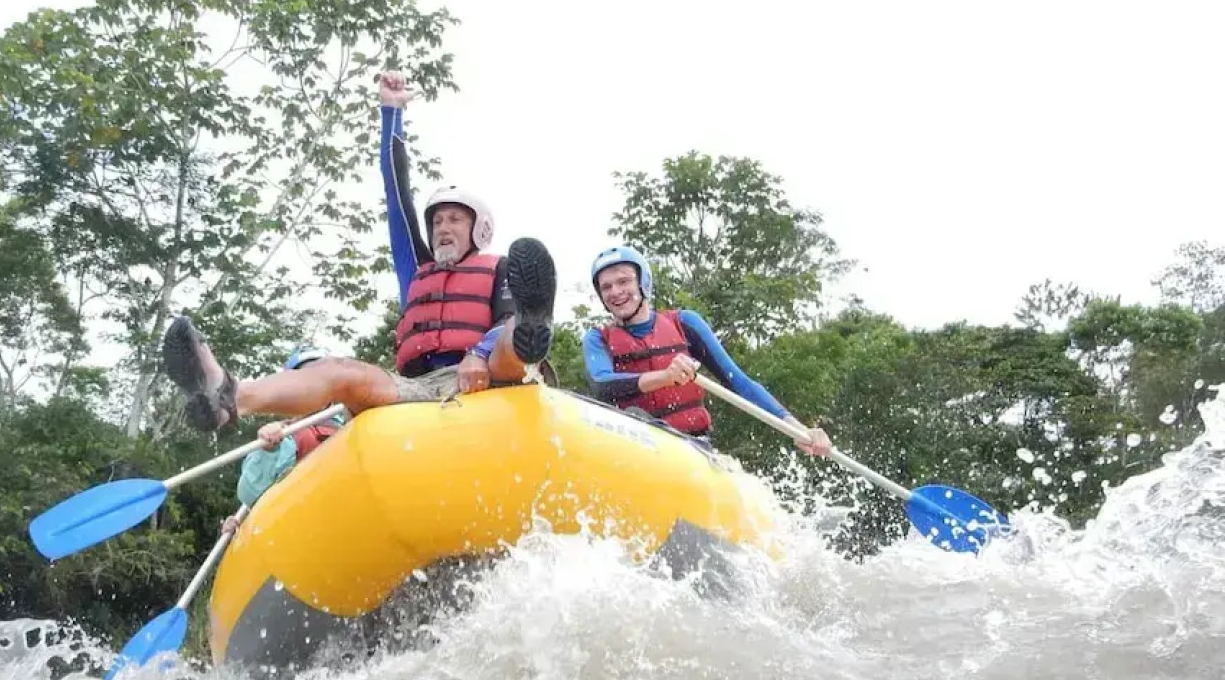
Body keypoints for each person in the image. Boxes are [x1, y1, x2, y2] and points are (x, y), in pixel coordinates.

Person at [162, 71, 557, 431]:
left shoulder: (500, 267)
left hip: (490, 376)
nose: (443, 228)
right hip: (417, 388)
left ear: (479, 229)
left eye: (455, 219)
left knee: (512, 334)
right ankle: (227, 397)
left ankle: (532, 330)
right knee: (339, 370)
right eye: (437, 221)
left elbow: (496, 331)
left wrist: (477, 352)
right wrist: (391, 112)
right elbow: (395, 190)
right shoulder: (418, 271)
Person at [582, 245, 832, 456]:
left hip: (692, 448)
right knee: (635, 418)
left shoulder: (685, 324)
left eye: (623, 281)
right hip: (636, 448)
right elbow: (602, 384)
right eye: (606, 287)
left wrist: (798, 428)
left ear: (642, 283)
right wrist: (666, 377)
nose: (615, 292)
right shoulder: (597, 339)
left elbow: (739, 382)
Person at [218, 345, 346, 536]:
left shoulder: (356, 424)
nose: (311, 389)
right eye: (301, 382)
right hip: (303, 532)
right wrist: (269, 452)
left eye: (319, 380)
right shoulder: (284, 437)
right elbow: (250, 494)